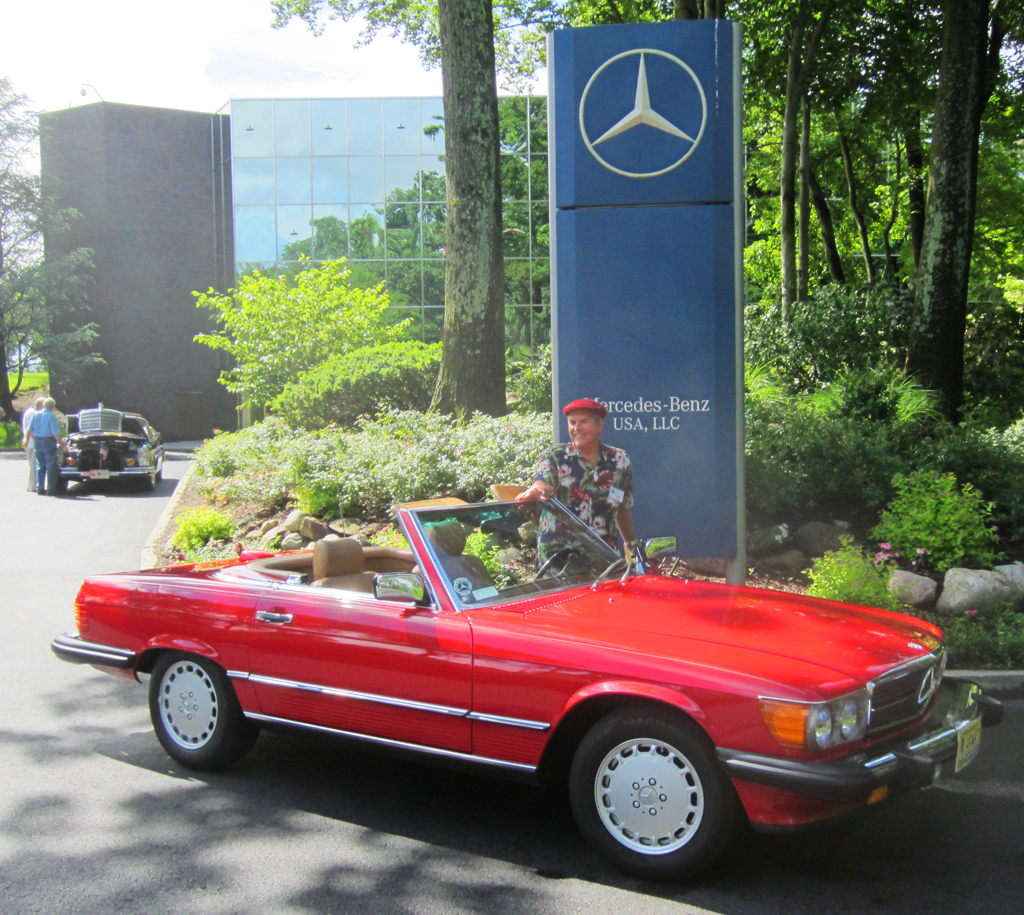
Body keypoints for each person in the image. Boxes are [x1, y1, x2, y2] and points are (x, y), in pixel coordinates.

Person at [517, 397, 636, 553]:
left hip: (605, 559)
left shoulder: (620, 461)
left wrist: (633, 547)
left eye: (583, 422)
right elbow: (543, 482)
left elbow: (622, 507)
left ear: (599, 425)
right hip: (559, 560)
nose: (576, 428)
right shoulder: (555, 456)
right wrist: (536, 491)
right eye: (572, 423)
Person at [25, 397, 69, 495]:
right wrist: (63, 445)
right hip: (48, 441)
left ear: (44, 405)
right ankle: (50, 489)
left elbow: (29, 429)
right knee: (51, 465)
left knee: (40, 465)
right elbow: (56, 433)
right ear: (53, 407)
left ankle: (40, 487)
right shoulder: (51, 416)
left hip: (37, 441)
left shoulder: (36, 414)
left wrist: (26, 440)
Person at [21, 396, 44, 493]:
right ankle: (32, 485)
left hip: (28, 442)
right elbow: (32, 430)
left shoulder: (28, 411)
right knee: (33, 464)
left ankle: (30, 484)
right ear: (39, 405)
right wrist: (38, 441)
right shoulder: (33, 413)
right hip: (32, 443)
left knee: (31, 464)